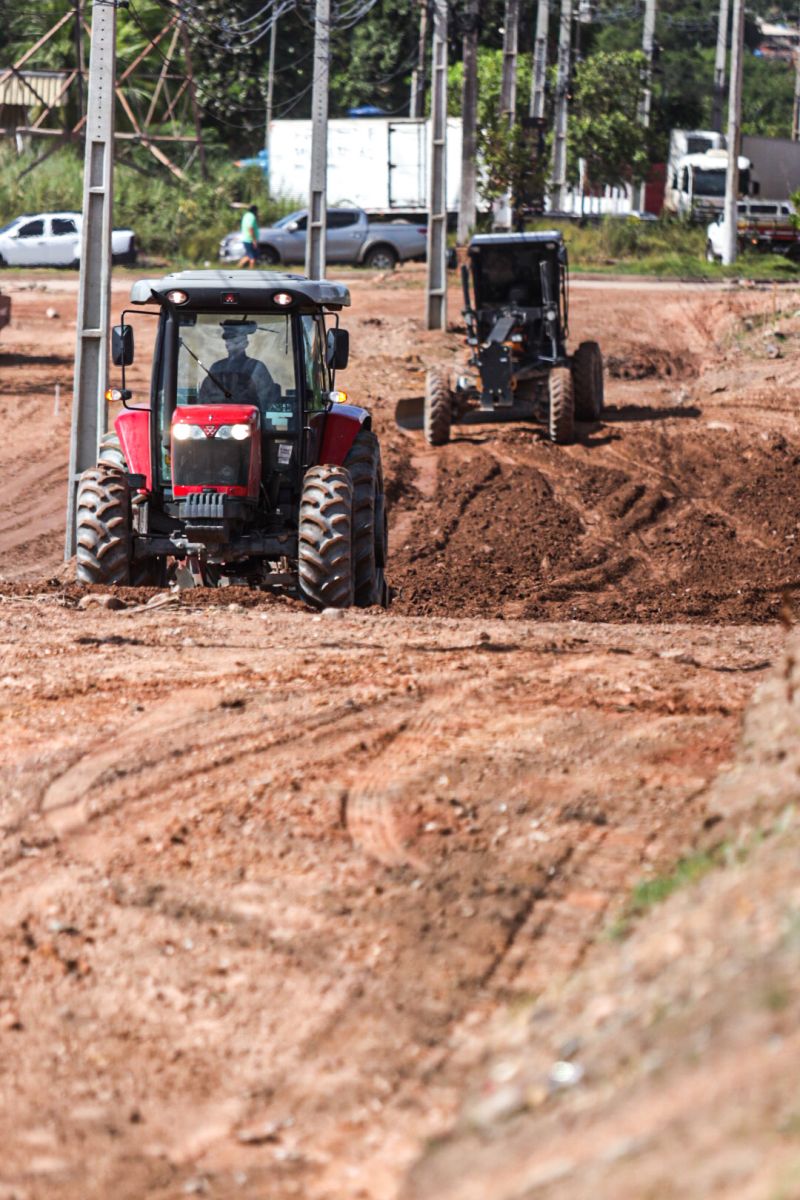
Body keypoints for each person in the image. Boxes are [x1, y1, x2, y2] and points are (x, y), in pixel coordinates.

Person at [198, 322, 279, 410]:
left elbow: (267, 399)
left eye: (236, 342)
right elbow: (205, 399)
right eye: (228, 342)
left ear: (246, 344)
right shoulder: (217, 368)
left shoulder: (256, 367)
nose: (230, 345)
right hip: (219, 418)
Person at [236, 205, 260, 269]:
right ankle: (251, 271)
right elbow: (250, 228)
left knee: (248, 255)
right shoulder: (251, 216)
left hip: (246, 238)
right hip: (249, 239)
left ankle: (238, 266)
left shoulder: (246, 215)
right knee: (253, 257)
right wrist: (254, 240)